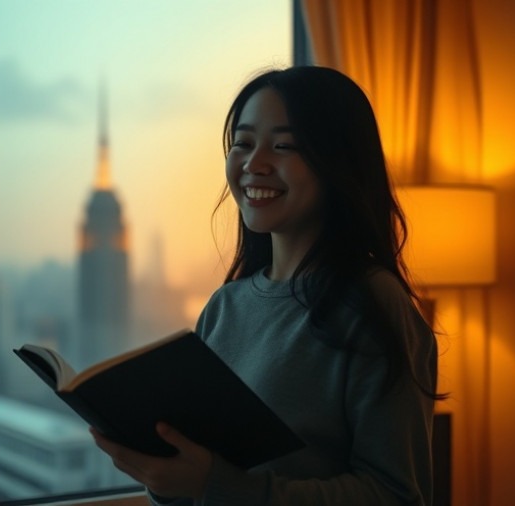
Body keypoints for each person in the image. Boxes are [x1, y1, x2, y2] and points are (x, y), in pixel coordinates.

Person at [91, 66, 440, 505]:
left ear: (338, 163)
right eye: (243, 143)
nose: (255, 164)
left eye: (283, 146)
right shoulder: (225, 307)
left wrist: (213, 485)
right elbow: (200, 480)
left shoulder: (371, 304)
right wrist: (165, 476)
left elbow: (395, 496)